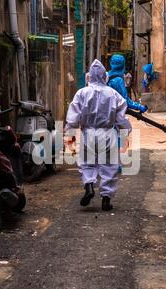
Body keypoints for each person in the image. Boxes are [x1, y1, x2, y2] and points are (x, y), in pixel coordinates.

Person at [65, 60, 132, 211]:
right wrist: (126, 130)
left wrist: (69, 132)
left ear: (89, 76)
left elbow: (73, 117)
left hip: (88, 133)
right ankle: (106, 199)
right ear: (104, 76)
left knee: (87, 163)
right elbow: (121, 117)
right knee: (109, 165)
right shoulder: (112, 94)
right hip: (108, 133)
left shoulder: (81, 93)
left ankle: (89, 186)